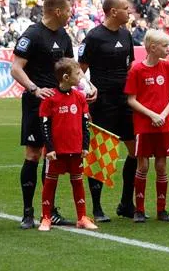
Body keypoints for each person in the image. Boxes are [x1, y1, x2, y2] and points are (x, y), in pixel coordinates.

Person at [11, 0, 81, 229]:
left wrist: (86, 87)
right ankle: (28, 213)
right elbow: (16, 68)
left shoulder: (63, 36)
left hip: (60, 106)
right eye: (69, 10)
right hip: (36, 103)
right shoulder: (32, 34)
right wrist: (35, 89)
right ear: (58, 11)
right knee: (32, 155)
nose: (71, 14)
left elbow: (73, 68)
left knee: (52, 156)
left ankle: (49, 212)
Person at [79, 0, 136, 222]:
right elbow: (79, 70)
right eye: (125, 9)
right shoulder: (93, 37)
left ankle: (126, 203)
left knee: (135, 151)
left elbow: (130, 65)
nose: (129, 12)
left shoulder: (126, 35)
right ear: (113, 12)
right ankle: (97, 208)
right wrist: (89, 89)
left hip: (125, 101)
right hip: (103, 103)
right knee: (101, 154)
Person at [37, 58, 98, 231]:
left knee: (77, 182)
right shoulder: (50, 99)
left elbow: (85, 123)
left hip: (76, 149)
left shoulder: (79, 97)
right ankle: (46, 217)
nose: (81, 76)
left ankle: (82, 217)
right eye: (78, 73)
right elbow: (45, 125)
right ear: (65, 77)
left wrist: (85, 146)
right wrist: (49, 148)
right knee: (50, 183)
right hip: (56, 151)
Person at [125, 29, 169, 223]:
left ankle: (161, 210)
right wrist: (151, 115)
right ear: (153, 48)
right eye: (165, 46)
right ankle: (139, 209)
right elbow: (131, 100)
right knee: (143, 165)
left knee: (162, 166)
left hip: (163, 125)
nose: (168, 49)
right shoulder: (137, 70)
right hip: (143, 125)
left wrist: (163, 115)